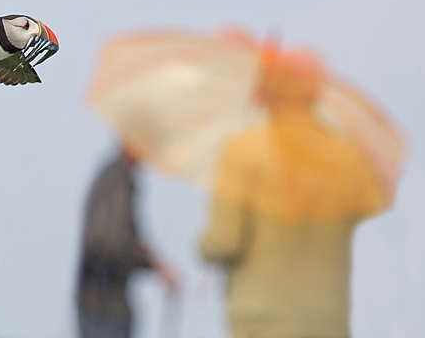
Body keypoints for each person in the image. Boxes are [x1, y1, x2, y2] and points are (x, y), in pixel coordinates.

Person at [199, 47, 386, 338]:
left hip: (261, 316)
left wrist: (205, 247)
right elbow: (372, 202)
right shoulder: (345, 154)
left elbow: (225, 241)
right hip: (327, 317)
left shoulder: (244, 150)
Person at [76, 145, 177, 338]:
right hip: (105, 302)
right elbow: (114, 244)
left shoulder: (116, 178)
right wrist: (154, 266)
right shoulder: (118, 181)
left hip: (98, 298)